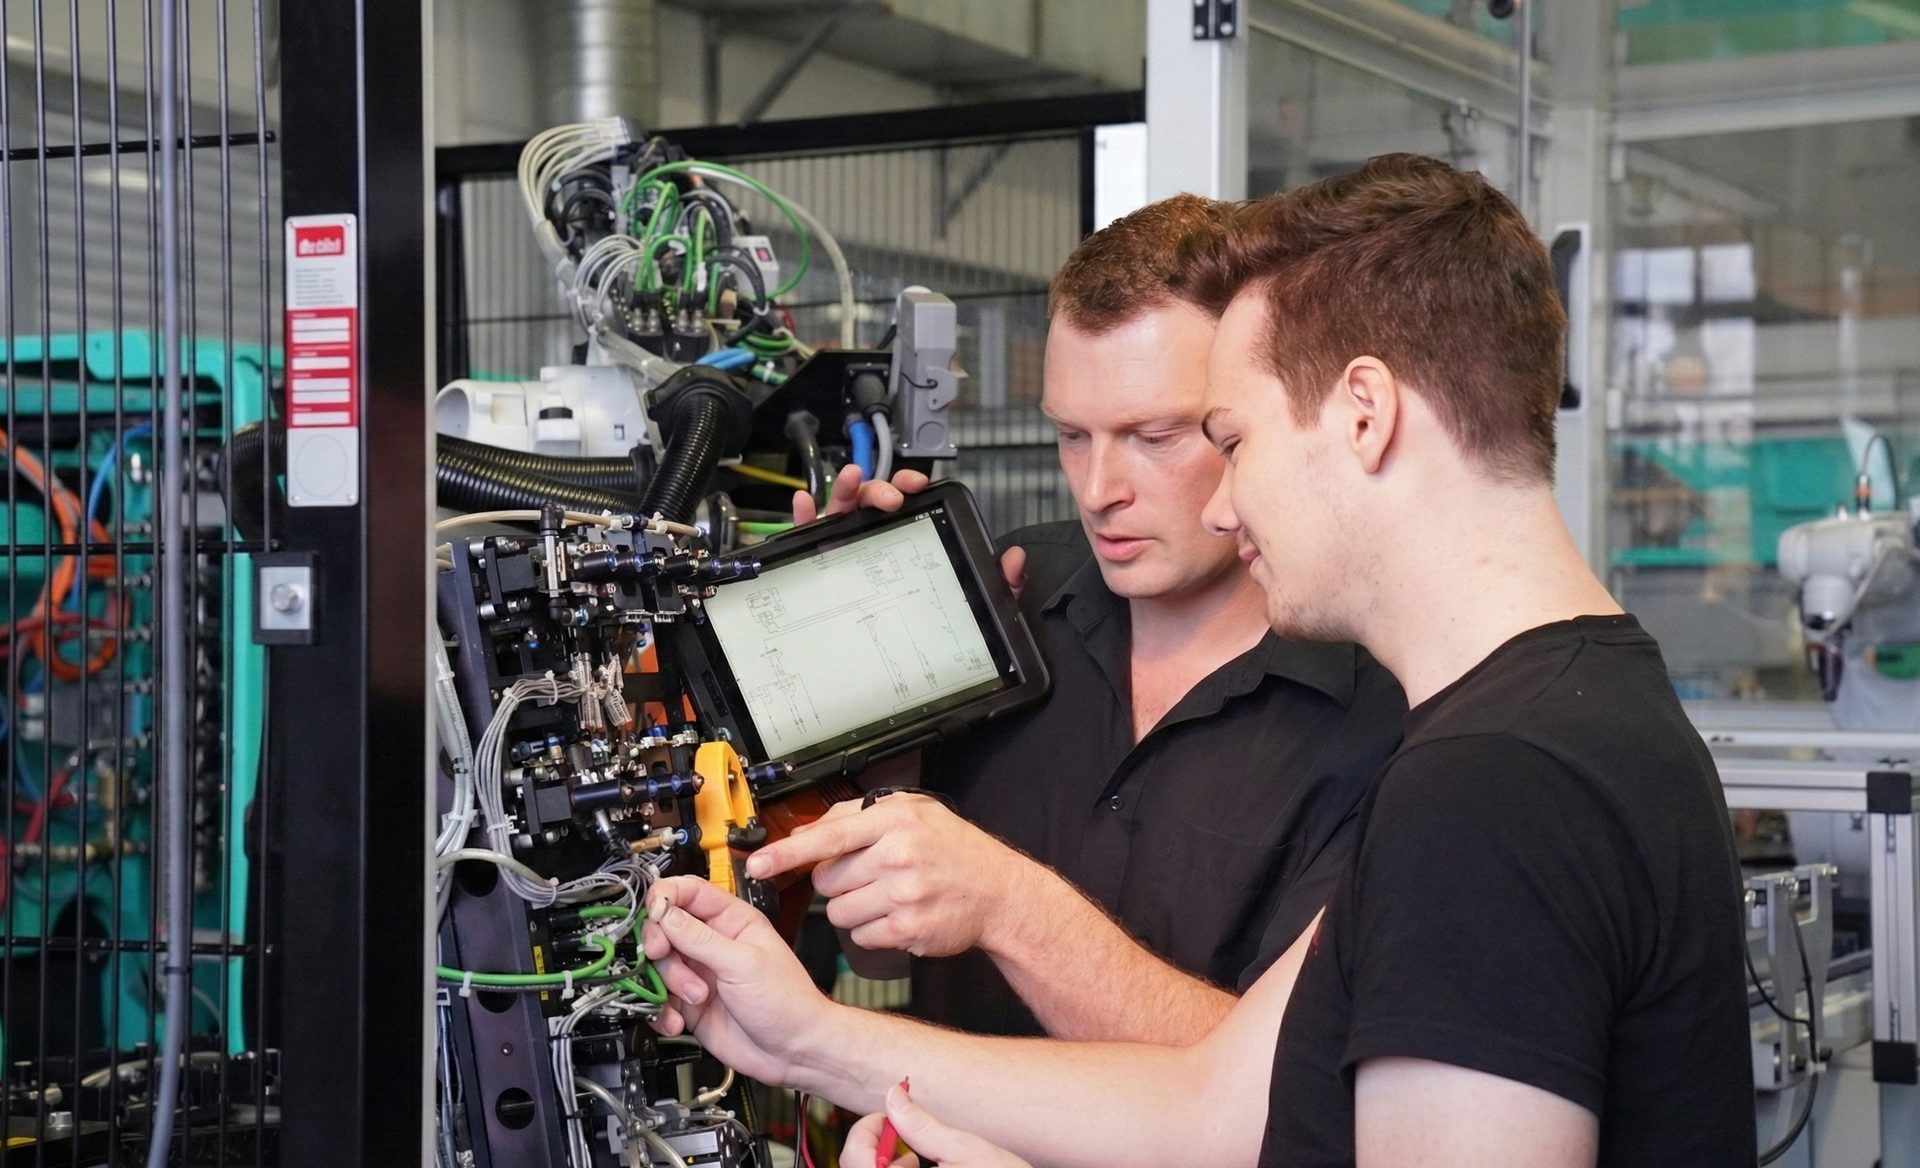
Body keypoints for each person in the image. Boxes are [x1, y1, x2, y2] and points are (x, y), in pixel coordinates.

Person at [646, 155, 1755, 1168]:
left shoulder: (1494, 787)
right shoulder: (1567, 714)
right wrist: (808, 1037)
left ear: (1364, 414)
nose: (1223, 501)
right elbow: (1219, 1105)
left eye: (1229, 440)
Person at [760, 193, 1406, 1046]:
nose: (1101, 490)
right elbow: (881, 974)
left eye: (1156, 436)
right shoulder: (1004, 602)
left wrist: (1009, 905)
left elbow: (1281, 1089)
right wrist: (869, 753)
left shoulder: (1376, 712)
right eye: (1073, 435)